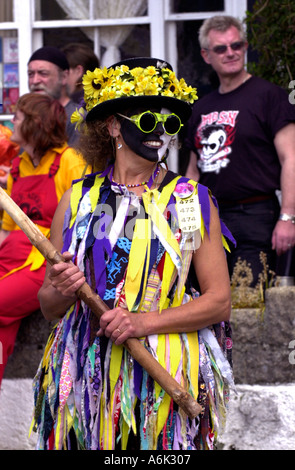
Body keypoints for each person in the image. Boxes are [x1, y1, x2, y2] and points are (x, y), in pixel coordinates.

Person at [32, 57, 235, 451]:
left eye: (169, 123)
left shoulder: (190, 200)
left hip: (161, 382)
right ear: (112, 125)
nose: (160, 131)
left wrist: (144, 322)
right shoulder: (78, 199)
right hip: (83, 381)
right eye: (147, 121)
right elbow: (48, 306)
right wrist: (62, 288)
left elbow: (219, 301)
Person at [185, 15, 295, 285]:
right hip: (209, 219)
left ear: (245, 47)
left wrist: (288, 218)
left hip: (256, 216)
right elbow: (193, 171)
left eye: (236, 45)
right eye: (221, 48)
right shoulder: (200, 107)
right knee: (207, 303)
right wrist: (186, 225)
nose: (230, 52)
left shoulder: (270, 96)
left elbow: (290, 157)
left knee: (249, 307)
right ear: (206, 55)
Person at [0, 93, 89, 385]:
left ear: (35, 124)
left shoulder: (71, 162)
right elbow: (7, 229)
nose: (12, 121)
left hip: (45, 266)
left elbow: (85, 223)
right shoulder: (17, 165)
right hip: (10, 259)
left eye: (19, 117)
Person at [27, 46, 79, 145]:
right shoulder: (28, 118)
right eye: (30, 74)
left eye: (43, 73)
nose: (35, 81)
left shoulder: (77, 119)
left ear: (64, 77)